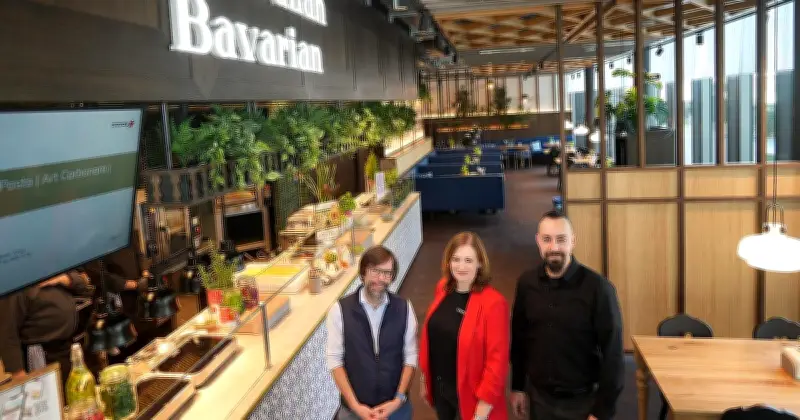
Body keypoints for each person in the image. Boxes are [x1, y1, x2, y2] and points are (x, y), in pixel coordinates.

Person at [510, 210, 624, 420]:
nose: (554, 247)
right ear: (538, 241)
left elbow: (613, 354)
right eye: (547, 239)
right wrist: (517, 386)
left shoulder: (599, 289)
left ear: (573, 241)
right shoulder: (526, 284)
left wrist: (601, 412)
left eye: (561, 239)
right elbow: (519, 339)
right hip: (539, 399)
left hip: (583, 402)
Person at [419, 231, 509, 420]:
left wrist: (481, 412)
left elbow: (497, 363)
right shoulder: (443, 288)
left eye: (468, 260)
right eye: (456, 259)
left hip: (471, 400)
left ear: (480, 263)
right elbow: (435, 337)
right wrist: (425, 379)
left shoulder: (494, 304)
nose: (461, 266)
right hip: (441, 390)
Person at [325, 246, 418, 420]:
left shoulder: (405, 308)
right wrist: (355, 406)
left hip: (396, 409)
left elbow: (410, 357)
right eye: (375, 271)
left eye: (387, 273)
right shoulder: (340, 310)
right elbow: (335, 361)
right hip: (353, 411)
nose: (381, 278)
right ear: (363, 273)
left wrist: (398, 400)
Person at [0, 271, 92, 385]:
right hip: (42, 353)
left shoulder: (49, 268)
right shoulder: (13, 283)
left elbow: (83, 283)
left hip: (69, 346)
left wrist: (64, 278)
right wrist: (19, 375)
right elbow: (7, 333)